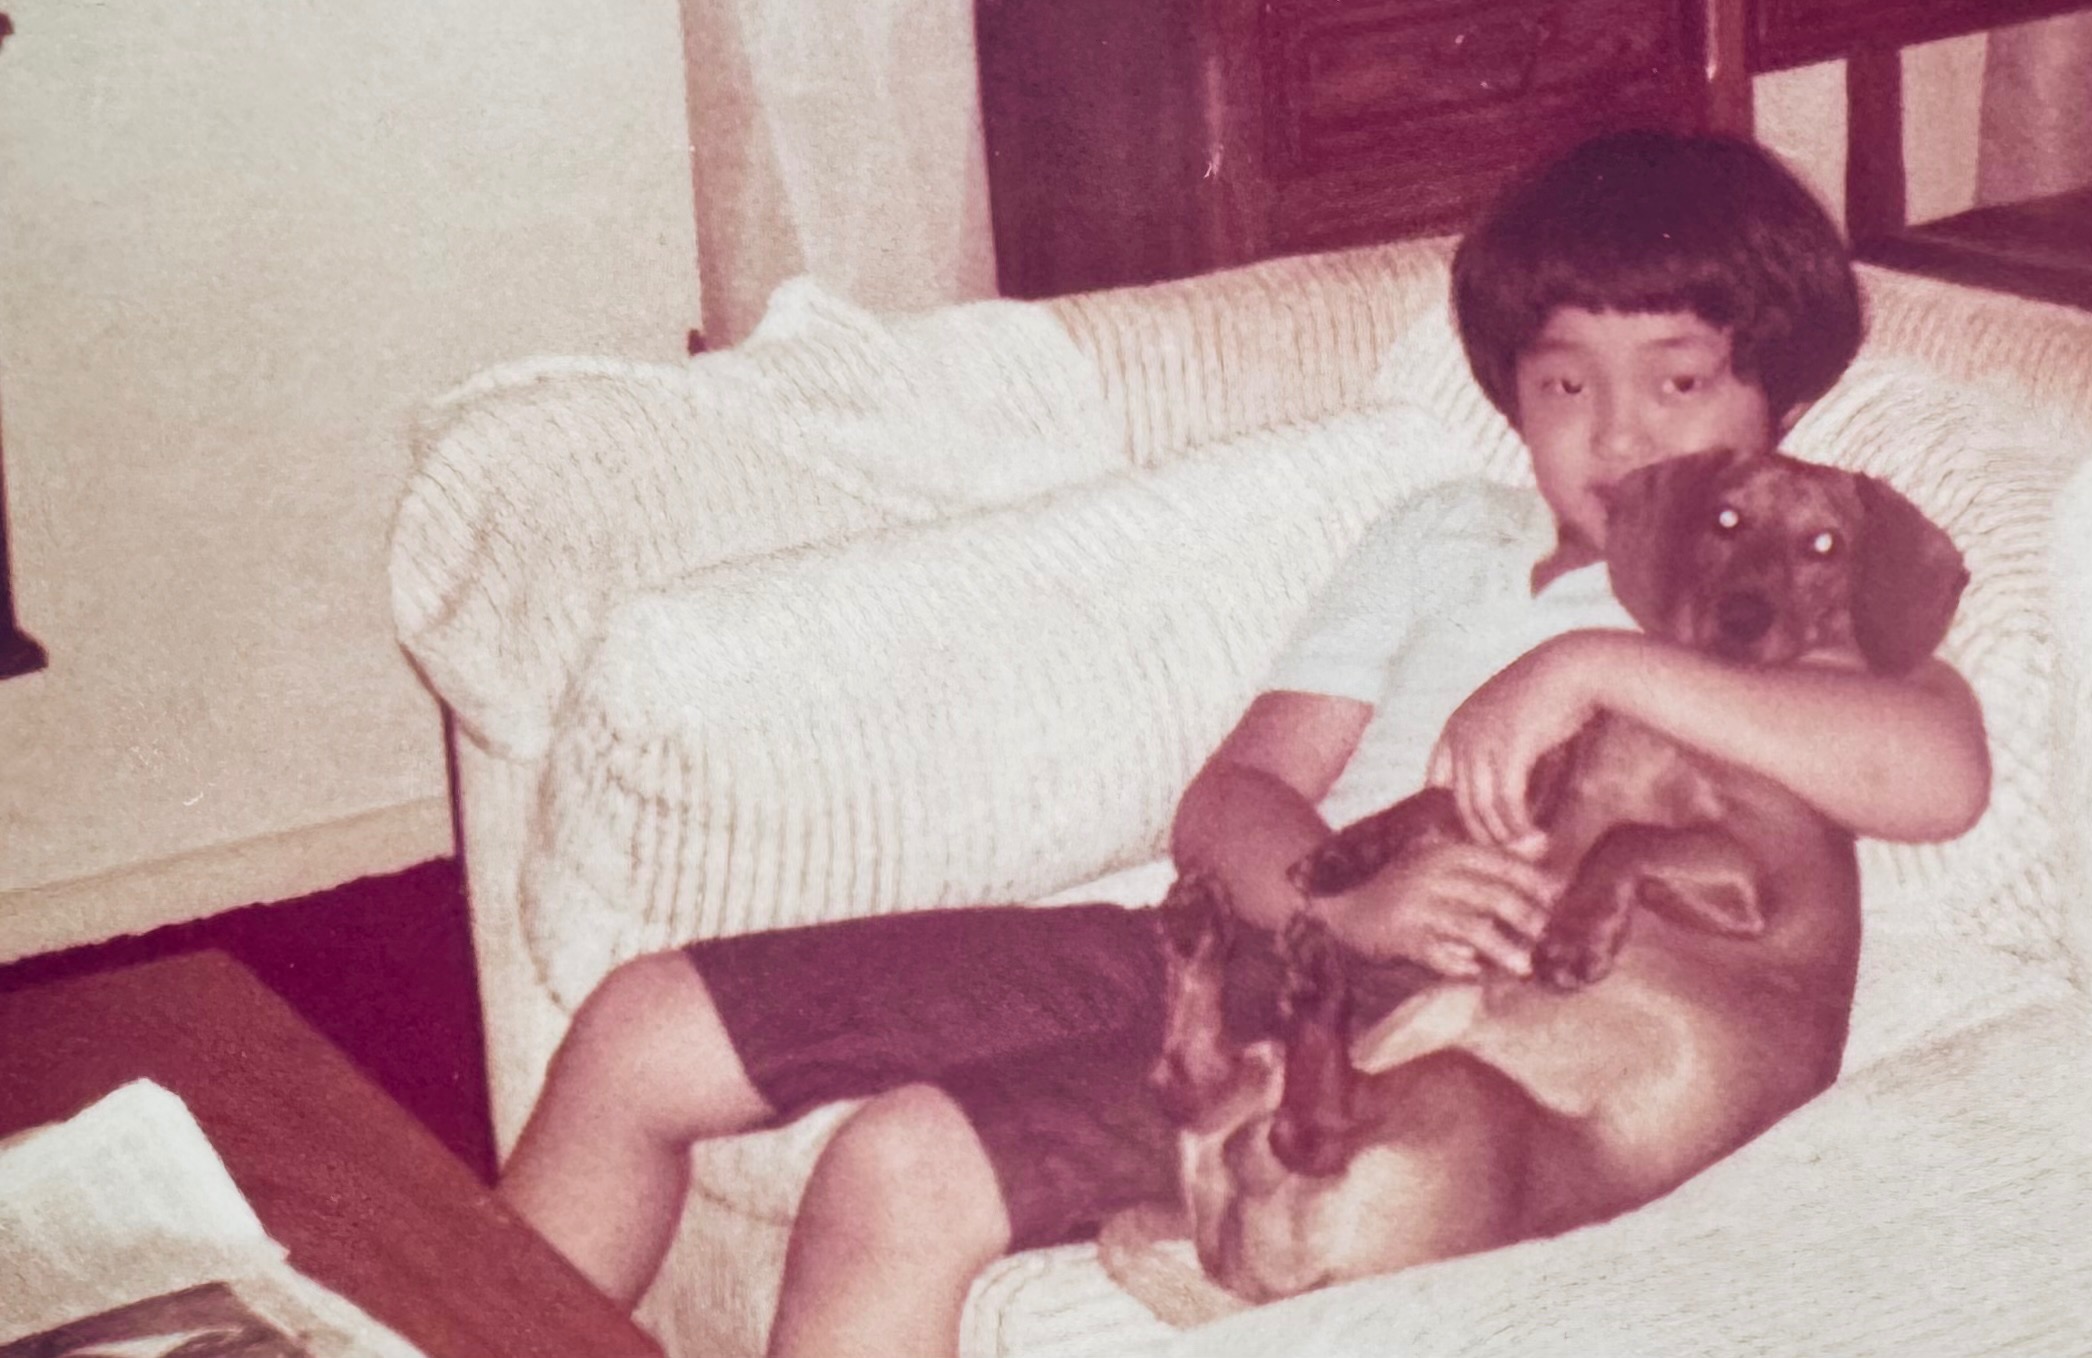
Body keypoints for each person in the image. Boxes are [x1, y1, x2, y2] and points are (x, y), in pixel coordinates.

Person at [496, 128, 1992, 1358]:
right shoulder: (1437, 537)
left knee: (902, 1161)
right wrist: (1346, 900)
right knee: (643, 1022)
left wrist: (1595, 660)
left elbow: (1936, 772)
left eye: (1680, 382)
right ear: (1510, 397)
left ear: (1775, 397)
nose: (1616, 435)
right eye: (1563, 384)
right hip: (1253, 933)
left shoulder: (1778, 605)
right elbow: (1233, 796)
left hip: (1429, 1034)